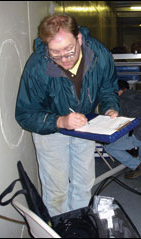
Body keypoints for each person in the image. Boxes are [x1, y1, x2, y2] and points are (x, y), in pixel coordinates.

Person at [15, 14, 119, 216]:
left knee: (84, 184)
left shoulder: (99, 54)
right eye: (55, 53)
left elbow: (108, 87)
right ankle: (60, 230)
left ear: (79, 38)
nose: (64, 59)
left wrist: (109, 107)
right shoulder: (37, 66)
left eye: (69, 50)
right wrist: (60, 121)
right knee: (56, 191)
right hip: (51, 129)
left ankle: (79, 226)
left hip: (85, 124)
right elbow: (25, 114)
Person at [104, 80, 141, 179]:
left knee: (109, 147)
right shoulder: (139, 96)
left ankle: (138, 166)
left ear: (118, 91)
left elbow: (119, 124)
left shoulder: (122, 100)